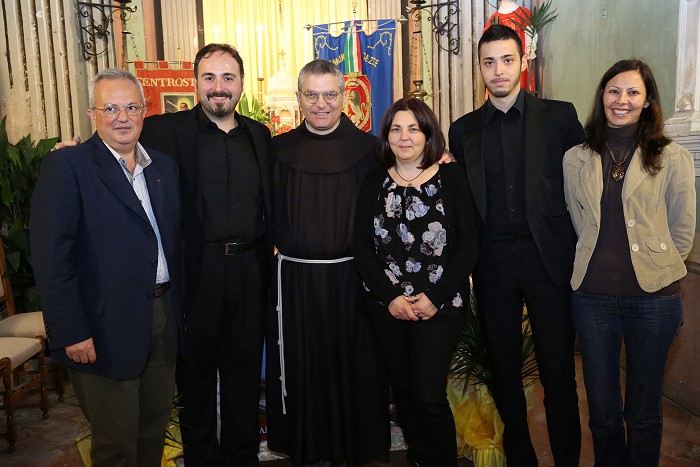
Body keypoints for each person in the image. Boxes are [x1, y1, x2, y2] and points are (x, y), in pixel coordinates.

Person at [31, 69, 183, 466]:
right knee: (116, 446)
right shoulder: (68, 166)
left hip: (163, 318)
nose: (122, 117)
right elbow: (52, 258)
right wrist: (71, 332)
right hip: (102, 328)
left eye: (131, 107)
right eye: (110, 108)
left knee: (153, 434)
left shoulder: (163, 168)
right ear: (92, 114)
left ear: (145, 111)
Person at [448, 24, 583, 467]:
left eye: (507, 60)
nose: (498, 70)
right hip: (492, 265)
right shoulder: (463, 130)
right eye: (489, 62)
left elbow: (586, 183)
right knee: (504, 371)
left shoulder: (559, 117)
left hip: (548, 261)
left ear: (523, 61)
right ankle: (521, 459)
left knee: (558, 373)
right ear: (479, 68)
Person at [139, 44, 273, 466]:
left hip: (250, 270)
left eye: (228, 78)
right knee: (194, 377)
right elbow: (114, 137)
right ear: (195, 82)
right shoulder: (163, 131)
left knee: (243, 376)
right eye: (209, 78)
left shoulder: (260, 136)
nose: (219, 87)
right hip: (198, 273)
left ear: (241, 83)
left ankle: (242, 457)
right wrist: (75, 152)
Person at [563, 59, 696, 466]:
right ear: (602, 96)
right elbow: (579, 220)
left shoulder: (672, 157)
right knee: (602, 413)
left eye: (633, 92)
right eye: (614, 91)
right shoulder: (575, 158)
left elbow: (682, 230)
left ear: (648, 100)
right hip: (592, 299)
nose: (622, 100)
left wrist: (657, 268)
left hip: (654, 301)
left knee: (643, 411)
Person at [265, 59, 390, 466]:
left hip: (354, 281)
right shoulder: (277, 150)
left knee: (353, 369)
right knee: (304, 370)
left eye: (330, 95)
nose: (321, 104)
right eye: (312, 95)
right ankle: (306, 449)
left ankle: (352, 451)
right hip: (295, 284)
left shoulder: (371, 150)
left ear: (344, 96)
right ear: (299, 98)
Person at [353, 97, 480, 467]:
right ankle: (419, 458)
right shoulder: (374, 182)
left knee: (428, 394)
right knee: (405, 392)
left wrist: (436, 296)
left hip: (440, 306)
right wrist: (391, 297)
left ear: (428, 134)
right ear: (386, 136)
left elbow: (470, 243)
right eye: (396, 129)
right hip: (388, 307)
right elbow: (361, 246)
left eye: (413, 128)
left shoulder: (452, 177)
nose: (404, 137)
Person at [484, 0, 536, 92]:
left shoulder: (523, 13)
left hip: (517, 58)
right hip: (500, 61)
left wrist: (530, 46)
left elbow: (530, 33)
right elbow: (487, 40)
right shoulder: (495, 18)